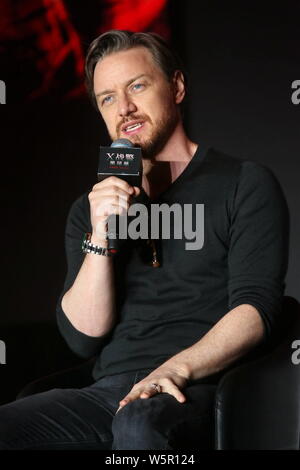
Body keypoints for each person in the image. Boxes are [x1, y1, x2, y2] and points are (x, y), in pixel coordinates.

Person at [0, 30, 289, 450]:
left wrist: (174, 370)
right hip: (109, 394)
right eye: (108, 98)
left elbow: (257, 308)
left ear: (176, 86)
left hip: (202, 387)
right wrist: (101, 232)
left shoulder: (243, 183)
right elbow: (83, 338)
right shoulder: (91, 207)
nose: (125, 108)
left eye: (137, 85)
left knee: (138, 427)